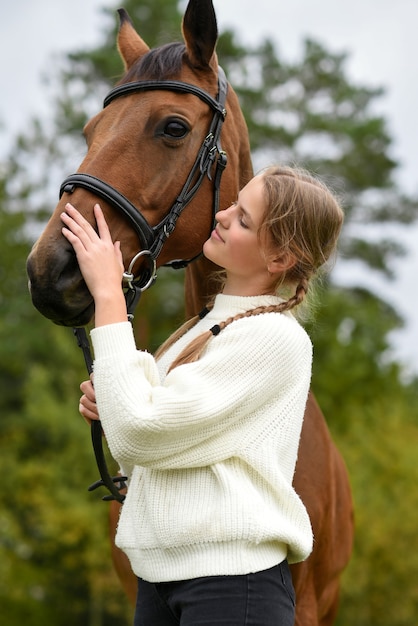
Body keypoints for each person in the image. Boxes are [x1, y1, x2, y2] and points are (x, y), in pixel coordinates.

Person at [61, 165, 344, 626]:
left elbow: (140, 434)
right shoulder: (196, 332)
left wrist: (110, 296)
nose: (225, 215)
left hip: (232, 587)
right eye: (235, 204)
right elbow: (146, 456)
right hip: (160, 580)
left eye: (245, 221)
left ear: (280, 260)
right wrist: (115, 403)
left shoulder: (274, 337)